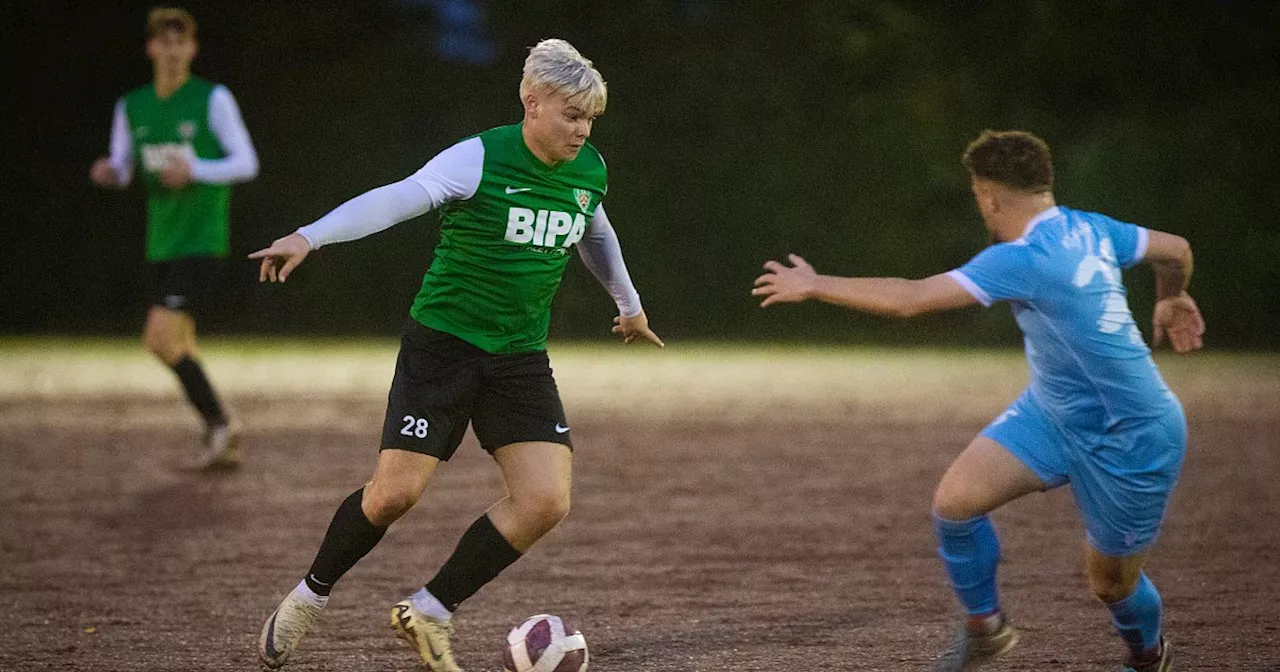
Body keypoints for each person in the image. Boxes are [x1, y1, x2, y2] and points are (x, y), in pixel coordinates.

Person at [250, 39, 662, 672]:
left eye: (589, 118)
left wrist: (628, 304)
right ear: (532, 102)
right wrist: (311, 236)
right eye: (570, 114)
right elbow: (395, 198)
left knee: (545, 501)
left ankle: (431, 609)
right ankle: (310, 595)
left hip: (519, 358)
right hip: (443, 348)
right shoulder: (477, 158)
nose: (581, 129)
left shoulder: (589, 170)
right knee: (394, 496)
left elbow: (594, 229)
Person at [753, 130, 1202, 672]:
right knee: (956, 503)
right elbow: (1175, 249)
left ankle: (1149, 656)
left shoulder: (1023, 257)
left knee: (1110, 584)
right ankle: (985, 628)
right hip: (1055, 412)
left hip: (1133, 436)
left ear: (988, 195)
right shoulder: (1092, 228)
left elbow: (911, 299)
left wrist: (816, 283)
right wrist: (1171, 296)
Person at [90, 7, 259, 470]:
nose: (172, 50)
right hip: (161, 241)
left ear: (192, 48)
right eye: (163, 41)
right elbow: (125, 167)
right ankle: (219, 437)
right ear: (150, 48)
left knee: (158, 338)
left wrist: (197, 169)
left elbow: (246, 162)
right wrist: (112, 172)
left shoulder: (212, 99)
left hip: (202, 238)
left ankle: (221, 423)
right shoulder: (132, 106)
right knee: (178, 343)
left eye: (180, 41)